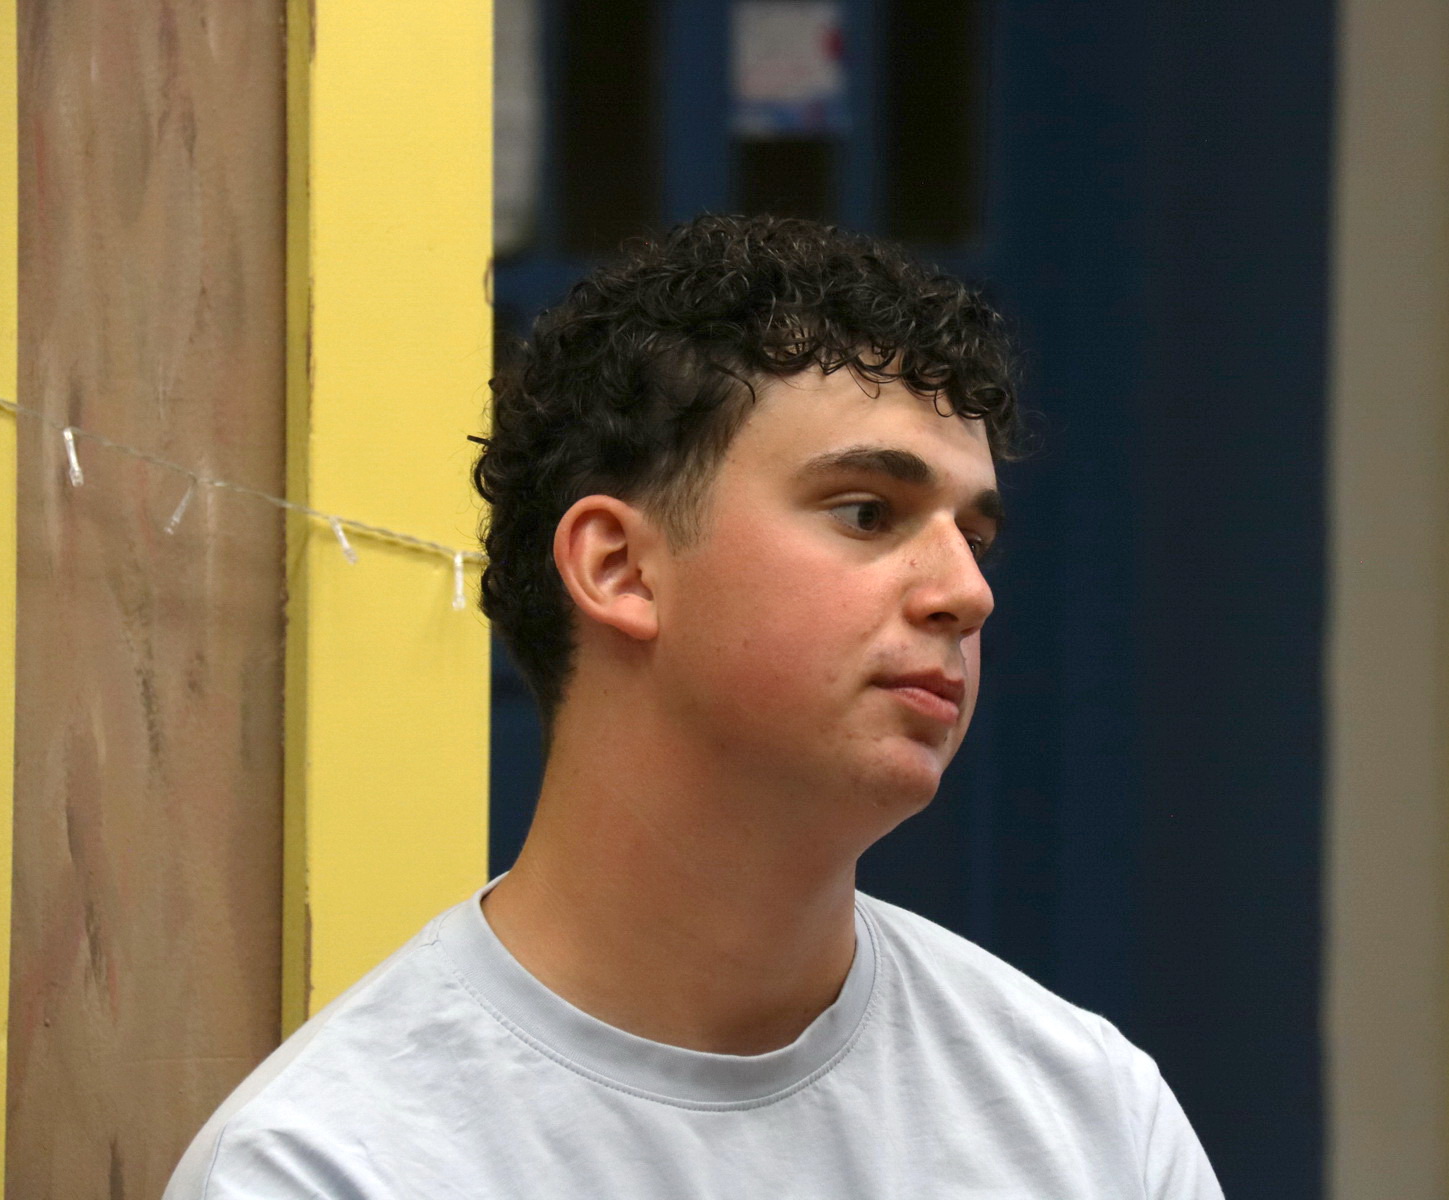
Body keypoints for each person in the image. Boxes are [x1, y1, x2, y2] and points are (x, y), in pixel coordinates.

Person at [165, 214, 1223, 1199]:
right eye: (868, 512)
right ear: (621, 568)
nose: (967, 592)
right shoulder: (332, 1166)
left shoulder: (1089, 1119)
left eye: (975, 538)